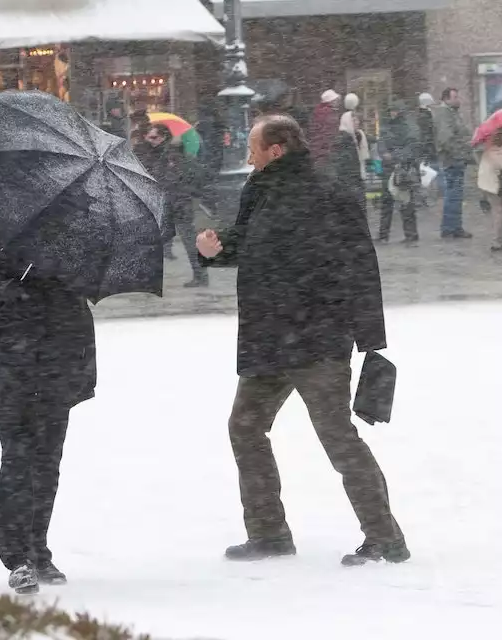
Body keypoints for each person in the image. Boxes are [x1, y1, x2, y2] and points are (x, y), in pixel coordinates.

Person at [194, 114, 408, 567]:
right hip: (268, 338)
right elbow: (250, 243)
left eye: (253, 146)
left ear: (277, 150)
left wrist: (370, 338)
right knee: (245, 427)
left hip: (317, 338)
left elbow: (360, 263)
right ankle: (269, 533)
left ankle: (385, 538)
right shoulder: (259, 190)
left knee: (337, 437)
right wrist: (216, 249)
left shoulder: (329, 194)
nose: (247, 155)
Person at [0, 208, 96, 594]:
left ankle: (38, 548)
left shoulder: (72, 222)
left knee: (47, 461)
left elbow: (87, 284)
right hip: (11, 360)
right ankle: (17, 557)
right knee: (18, 457)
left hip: (59, 353)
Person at [138, 123, 206, 287]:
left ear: (163, 137)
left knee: (188, 240)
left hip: (177, 204)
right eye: (149, 136)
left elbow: (172, 180)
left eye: (154, 137)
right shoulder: (155, 153)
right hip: (167, 203)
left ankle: (200, 275)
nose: (150, 140)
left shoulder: (172, 156)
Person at [377, 99, 421, 246]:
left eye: (395, 110)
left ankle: (411, 235)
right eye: (391, 111)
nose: (392, 113)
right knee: (386, 202)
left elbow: (412, 148)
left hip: (403, 169)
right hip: (388, 168)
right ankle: (383, 235)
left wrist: (395, 156)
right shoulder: (387, 126)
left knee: (406, 202)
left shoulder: (409, 127)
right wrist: (384, 153)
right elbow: (381, 143)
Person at [434, 87, 474, 239]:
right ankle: (451, 228)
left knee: (454, 195)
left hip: (455, 159)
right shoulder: (445, 114)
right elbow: (446, 139)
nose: (458, 100)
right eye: (455, 97)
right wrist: (460, 152)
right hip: (452, 160)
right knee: (453, 195)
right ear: (446, 99)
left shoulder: (451, 113)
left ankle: (452, 227)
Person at [307, 89, 343, 166]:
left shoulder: (318, 111)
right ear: (331, 101)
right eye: (335, 100)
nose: (337, 102)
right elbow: (330, 135)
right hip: (325, 154)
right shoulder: (329, 114)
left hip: (318, 152)